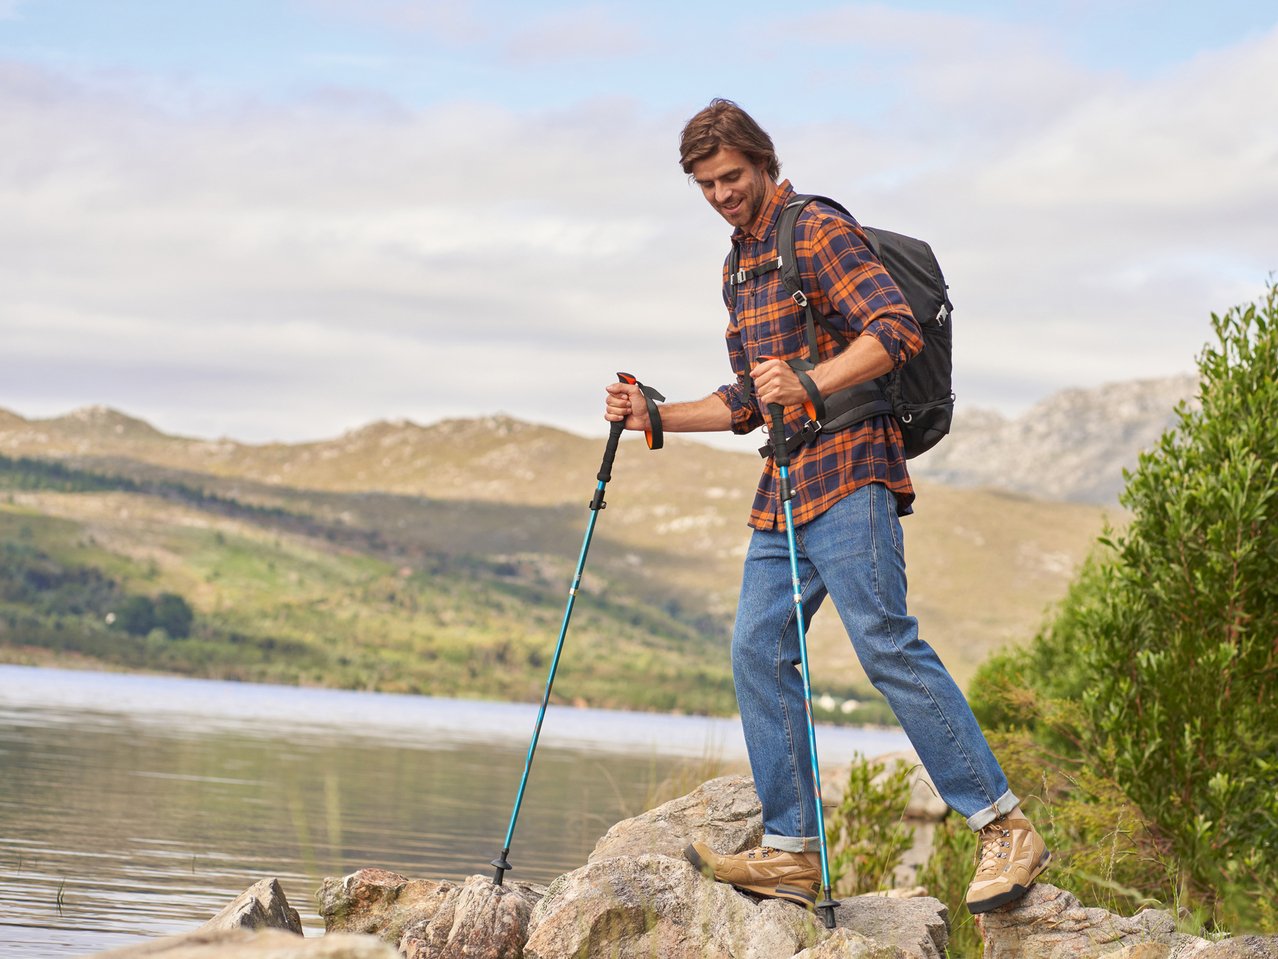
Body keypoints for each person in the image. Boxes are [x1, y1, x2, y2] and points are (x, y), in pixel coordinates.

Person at [603, 98, 1049, 915]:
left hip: (852, 468)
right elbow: (747, 397)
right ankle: (791, 851)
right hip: (784, 488)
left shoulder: (813, 228)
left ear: (763, 162)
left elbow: (894, 327)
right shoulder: (737, 265)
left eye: (731, 177)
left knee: (884, 643)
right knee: (756, 647)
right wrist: (655, 415)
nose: (721, 194)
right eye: (705, 184)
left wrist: (811, 381)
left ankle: (1002, 824)